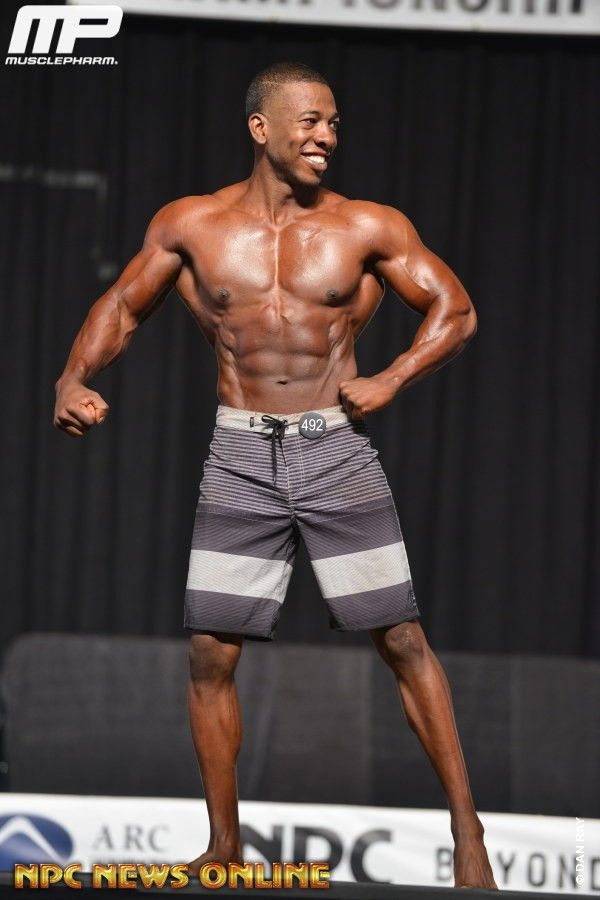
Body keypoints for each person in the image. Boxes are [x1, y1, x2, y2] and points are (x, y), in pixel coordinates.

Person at [53, 61, 497, 889]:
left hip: (336, 449)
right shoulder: (192, 223)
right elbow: (122, 305)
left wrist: (393, 378)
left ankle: (468, 834)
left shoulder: (366, 226)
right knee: (209, 654)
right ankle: (224, 845)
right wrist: (73, 377)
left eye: (333, 123)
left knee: (402, 639)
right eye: (310, 121)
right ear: (262, 128)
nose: (327, 135)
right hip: (240, 455)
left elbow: (457, 310)